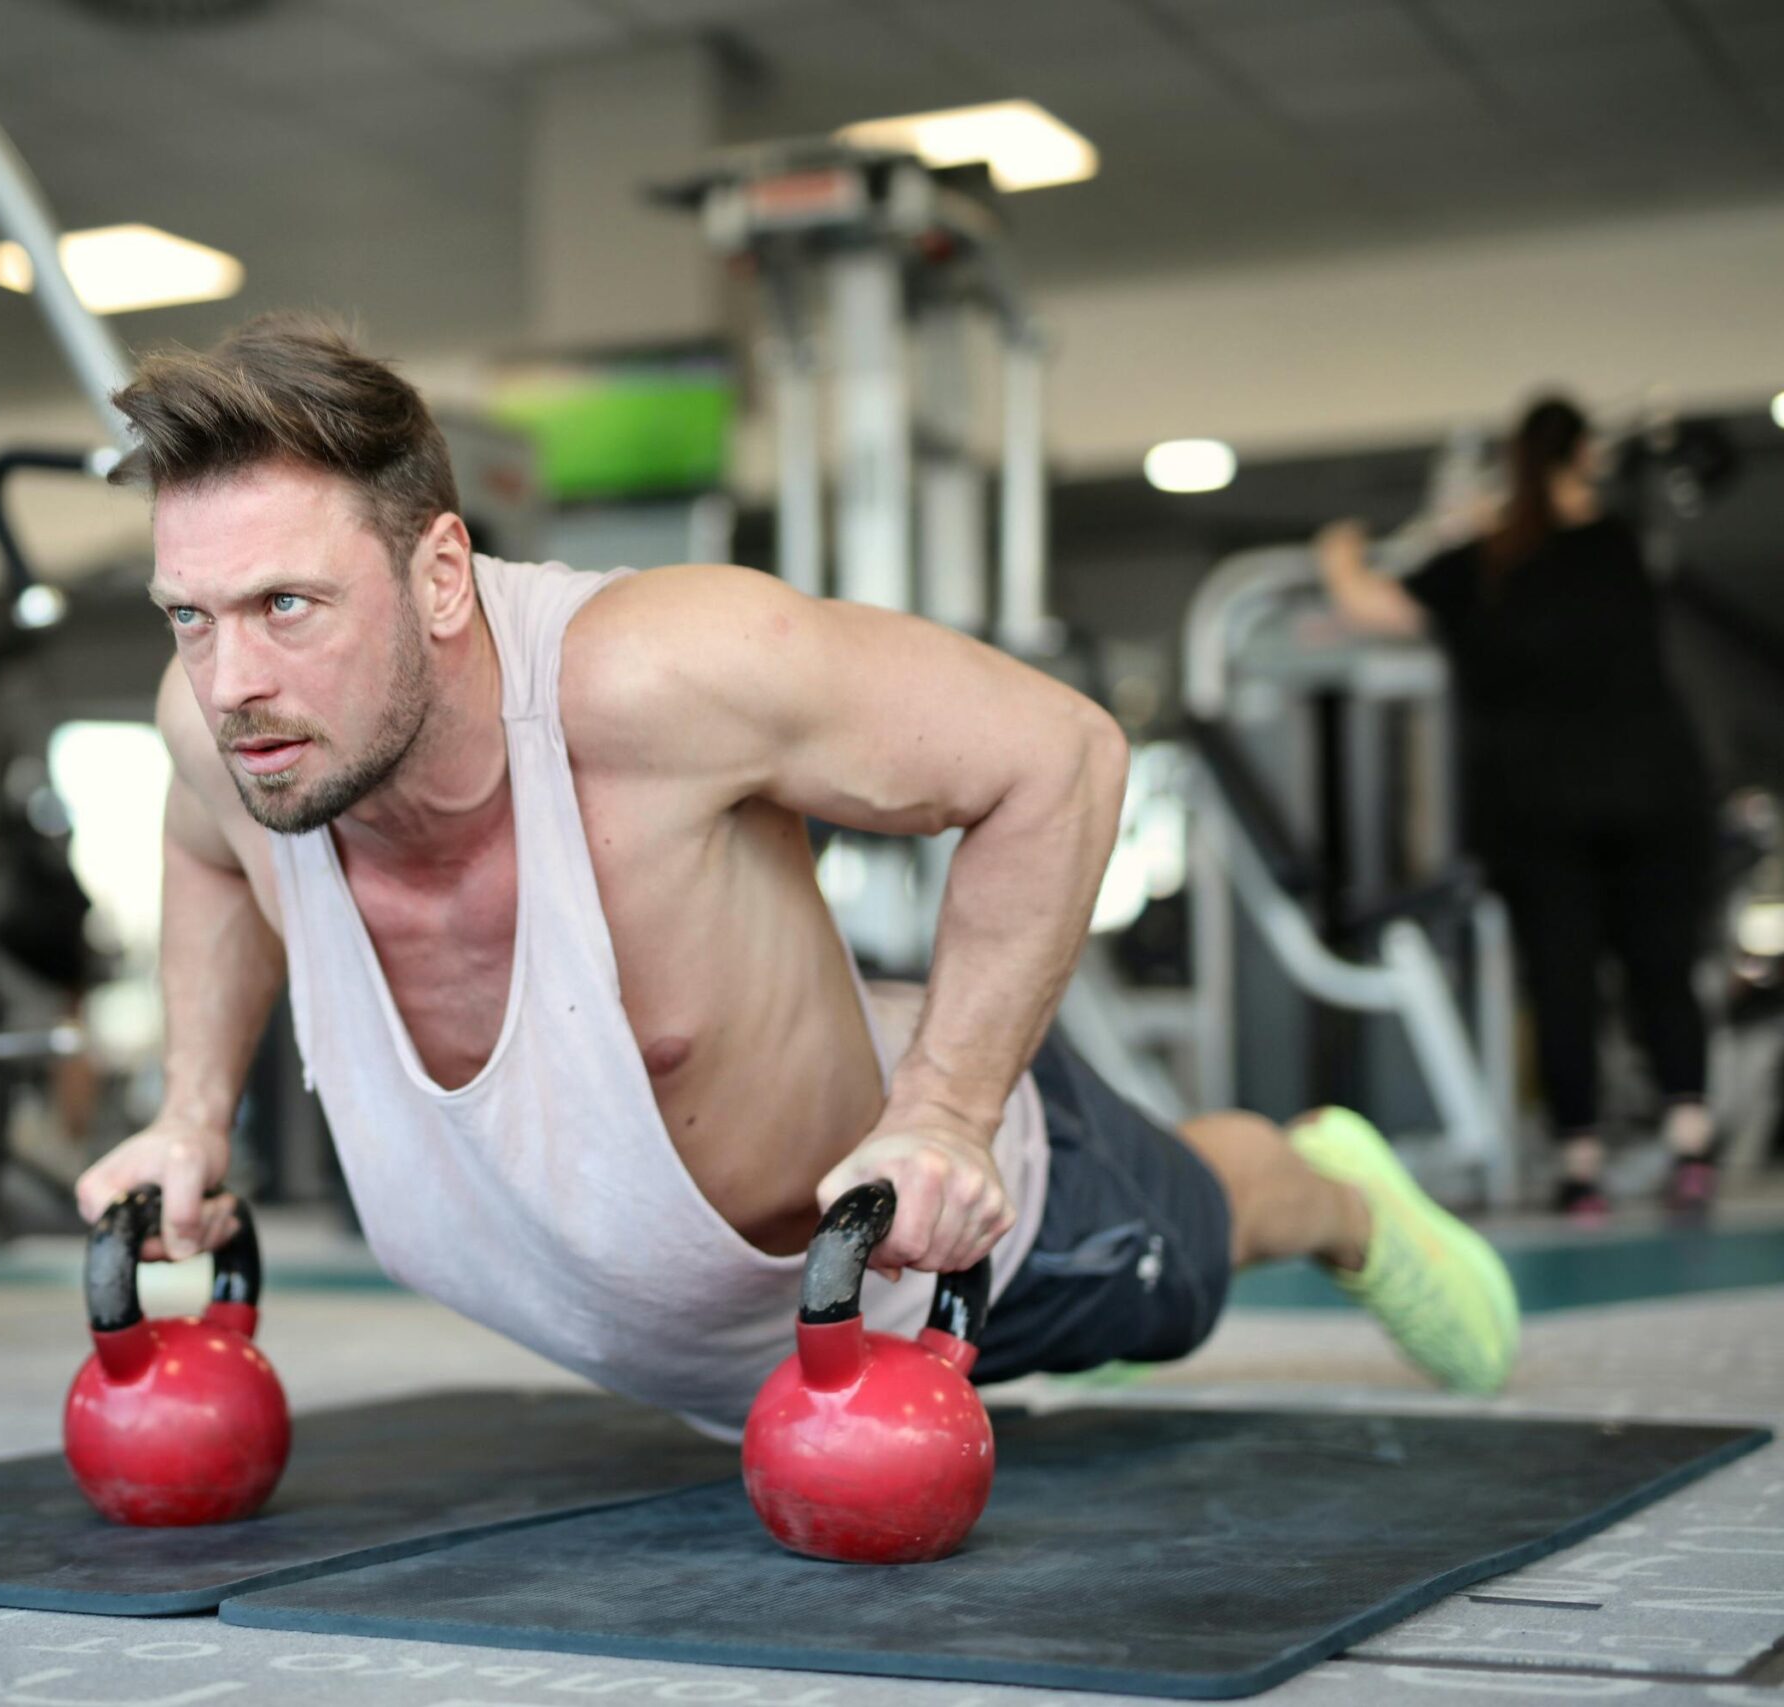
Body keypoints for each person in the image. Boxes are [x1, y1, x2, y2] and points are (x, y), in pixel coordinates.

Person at [76, 315, 1519, 1435]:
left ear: (443, 574)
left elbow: (1061, 755)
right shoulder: (223, 733)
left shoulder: (659, 676)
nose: (234, 678)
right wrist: (192, 1110)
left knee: (1191, 1245)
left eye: (286, 604)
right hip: (714, 1366)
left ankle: (1339, 1186)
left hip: (930, 1246)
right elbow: (206, 848)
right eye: (191, 616)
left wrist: (949, 1118)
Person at [1318, 397, 1719, 1222]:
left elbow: (1369, 604)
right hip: (1650, 792)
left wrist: (1340, 551)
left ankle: (1581, 1170)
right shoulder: (1622, 546)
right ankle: (1691, 1145)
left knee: (1562, 982)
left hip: (1541, 807)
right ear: (1583, 458)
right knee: (1661, 969)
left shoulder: (1481, 560)